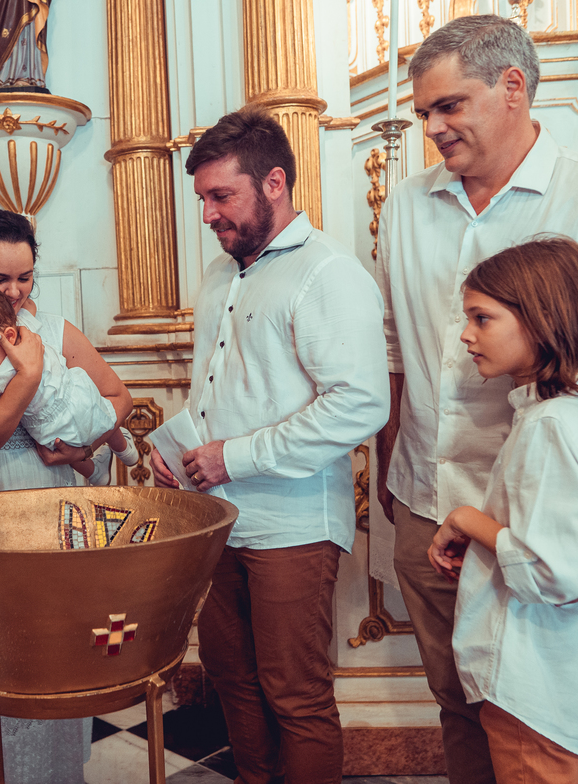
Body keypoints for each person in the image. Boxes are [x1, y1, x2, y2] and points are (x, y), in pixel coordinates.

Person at [375, 14, 578, 784]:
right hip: (427, 501)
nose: (432, 128)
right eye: (424, 111)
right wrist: (390, 471)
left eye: (449, 106)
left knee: (548, 719)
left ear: (513, 87)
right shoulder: (405, 205)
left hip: (551, 516)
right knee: (459, 701)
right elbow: (397, 350)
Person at [151, 107, 391, 784]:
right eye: (202, 198)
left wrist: (233, 457)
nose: (208, 214)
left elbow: (361, 403)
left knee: (295, 693)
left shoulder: (327, 272)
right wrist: (176, 449)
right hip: (220, 517)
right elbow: (219, 390)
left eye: (221, 196)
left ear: (275, 183)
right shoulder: (219, 275)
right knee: (231, 676)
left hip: (294, 524)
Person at [0, 208, 132, 784]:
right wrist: (29, 377)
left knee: (54, 650)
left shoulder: (54, 330)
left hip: (54, 506)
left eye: (25, 277)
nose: (15, 292)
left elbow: (118, 397)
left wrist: (80, 444)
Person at [427, 239, 578, 784]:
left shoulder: (551, 424)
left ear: (542, 320)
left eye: (482, 318)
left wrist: (465, 518)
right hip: (569, 684)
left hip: (538, 687)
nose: (466, 334)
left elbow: (554, 572)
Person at [0, 287, 138, 483]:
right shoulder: (27, 331)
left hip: (51, 425)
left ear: (8, 336)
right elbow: (29, 309)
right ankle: (125, 450)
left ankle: (94, 472)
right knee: (103, 415)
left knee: (56, 449)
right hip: (75, 395)